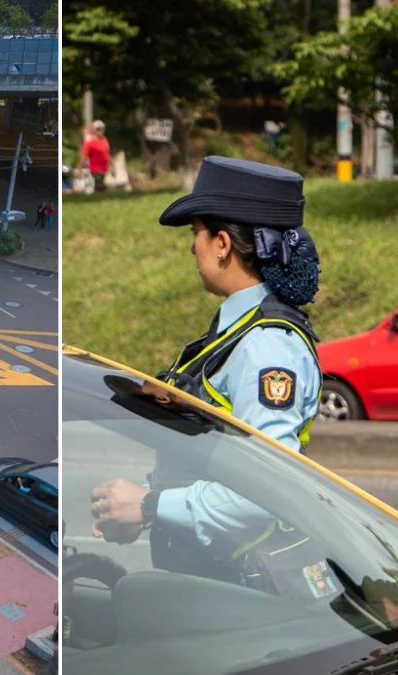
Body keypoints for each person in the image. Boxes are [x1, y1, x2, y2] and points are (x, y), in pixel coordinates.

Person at [90, 157, 324, 589]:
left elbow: (266, 490)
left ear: (221, 244)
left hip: (246, 583)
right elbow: (211, 455)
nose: (191, 247)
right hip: (217, 571)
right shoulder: (236, 332)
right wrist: (139, 508)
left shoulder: (267, 346)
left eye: (196, 233)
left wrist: (150, 505)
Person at [78, 120, 111, 193]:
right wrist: (79, 169)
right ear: (94, 130)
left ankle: (99, 196)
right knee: (100, 186)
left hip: (104, 169)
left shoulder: (104, 140)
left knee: (101, 185)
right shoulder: (89, 142)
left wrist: (112, 165)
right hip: (96, 169)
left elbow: (107, 154)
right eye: (98, 129)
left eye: (102, 129)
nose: (100, 131)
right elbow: (83, 156)